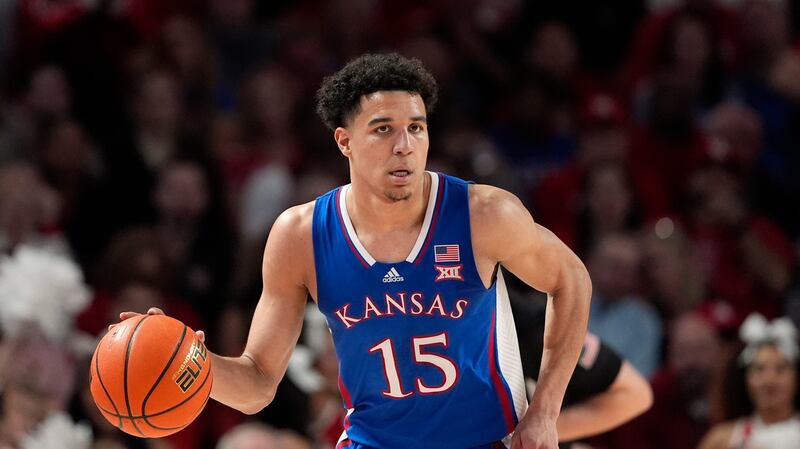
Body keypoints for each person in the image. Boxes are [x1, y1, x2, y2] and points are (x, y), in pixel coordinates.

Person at [118, 53, 592, 449]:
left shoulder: (483, 214)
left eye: (417, 128)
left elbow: (571, 278)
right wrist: (188, 361)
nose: (404, 146)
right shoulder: (299, 234)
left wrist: (546, 409)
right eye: (384, 129)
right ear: (344, 141)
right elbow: (258, 382)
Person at [698, 313, 800, 449]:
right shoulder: (722, 439)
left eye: (780, 369)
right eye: (759, 369)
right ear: (744, 379)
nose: (769, 380)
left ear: (797, 378)